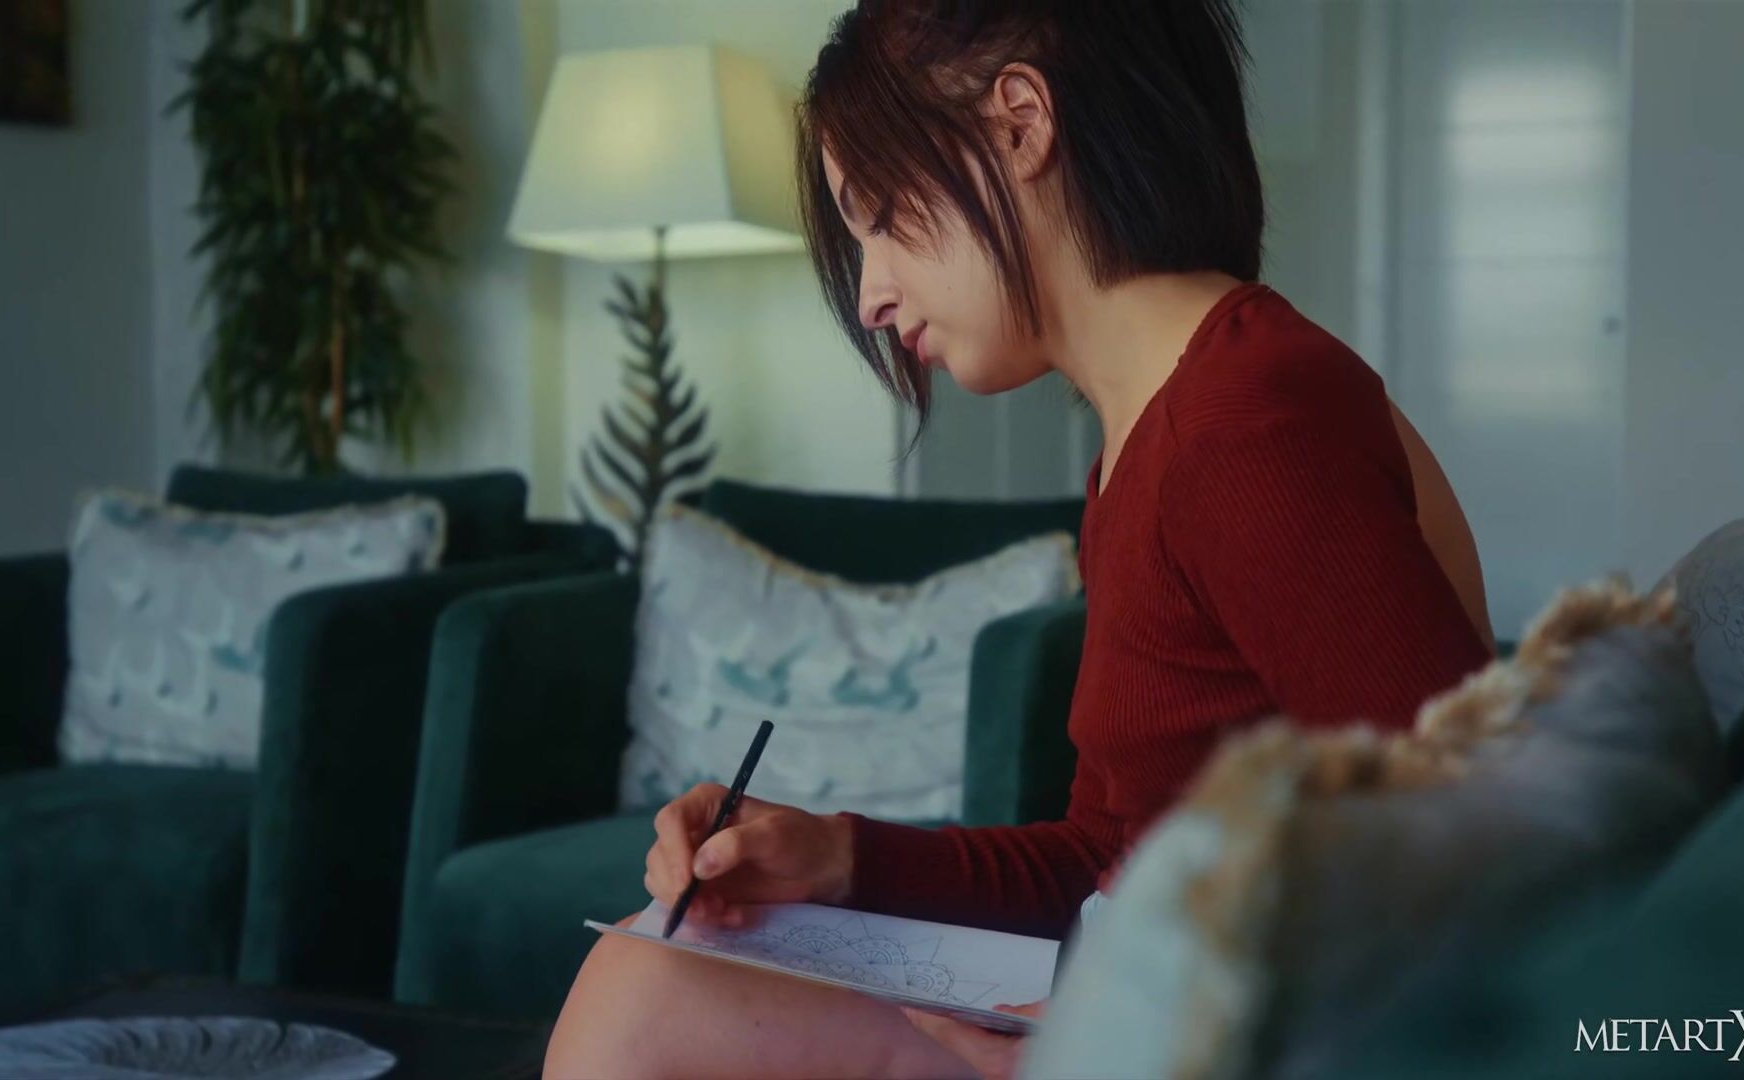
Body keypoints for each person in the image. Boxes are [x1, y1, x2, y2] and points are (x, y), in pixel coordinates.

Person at [544, 2, 1495, 1076]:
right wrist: (837, 858)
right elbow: (1107, 857)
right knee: (654, 968)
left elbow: (1488, 890)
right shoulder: (1149, 440)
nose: (871, 297)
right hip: (1146, 1007)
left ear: (1020, 122)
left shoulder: (1242, 426)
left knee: (647, 995)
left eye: (882, 217)